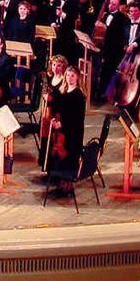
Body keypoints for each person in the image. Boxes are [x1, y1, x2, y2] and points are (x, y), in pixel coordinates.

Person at [46, 65, 86, 193]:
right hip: (62, 131)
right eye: (68, 75)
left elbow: (76, 117)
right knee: (60, 157)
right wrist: (53, 119)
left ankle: (68, 186)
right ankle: (61, 183)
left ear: (77, 77)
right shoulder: (63, 91)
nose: (69, 78)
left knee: (69, 157)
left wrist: (62, 124)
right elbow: (57, 107)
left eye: (72, 76)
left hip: (73, 131)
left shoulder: (79, 95)